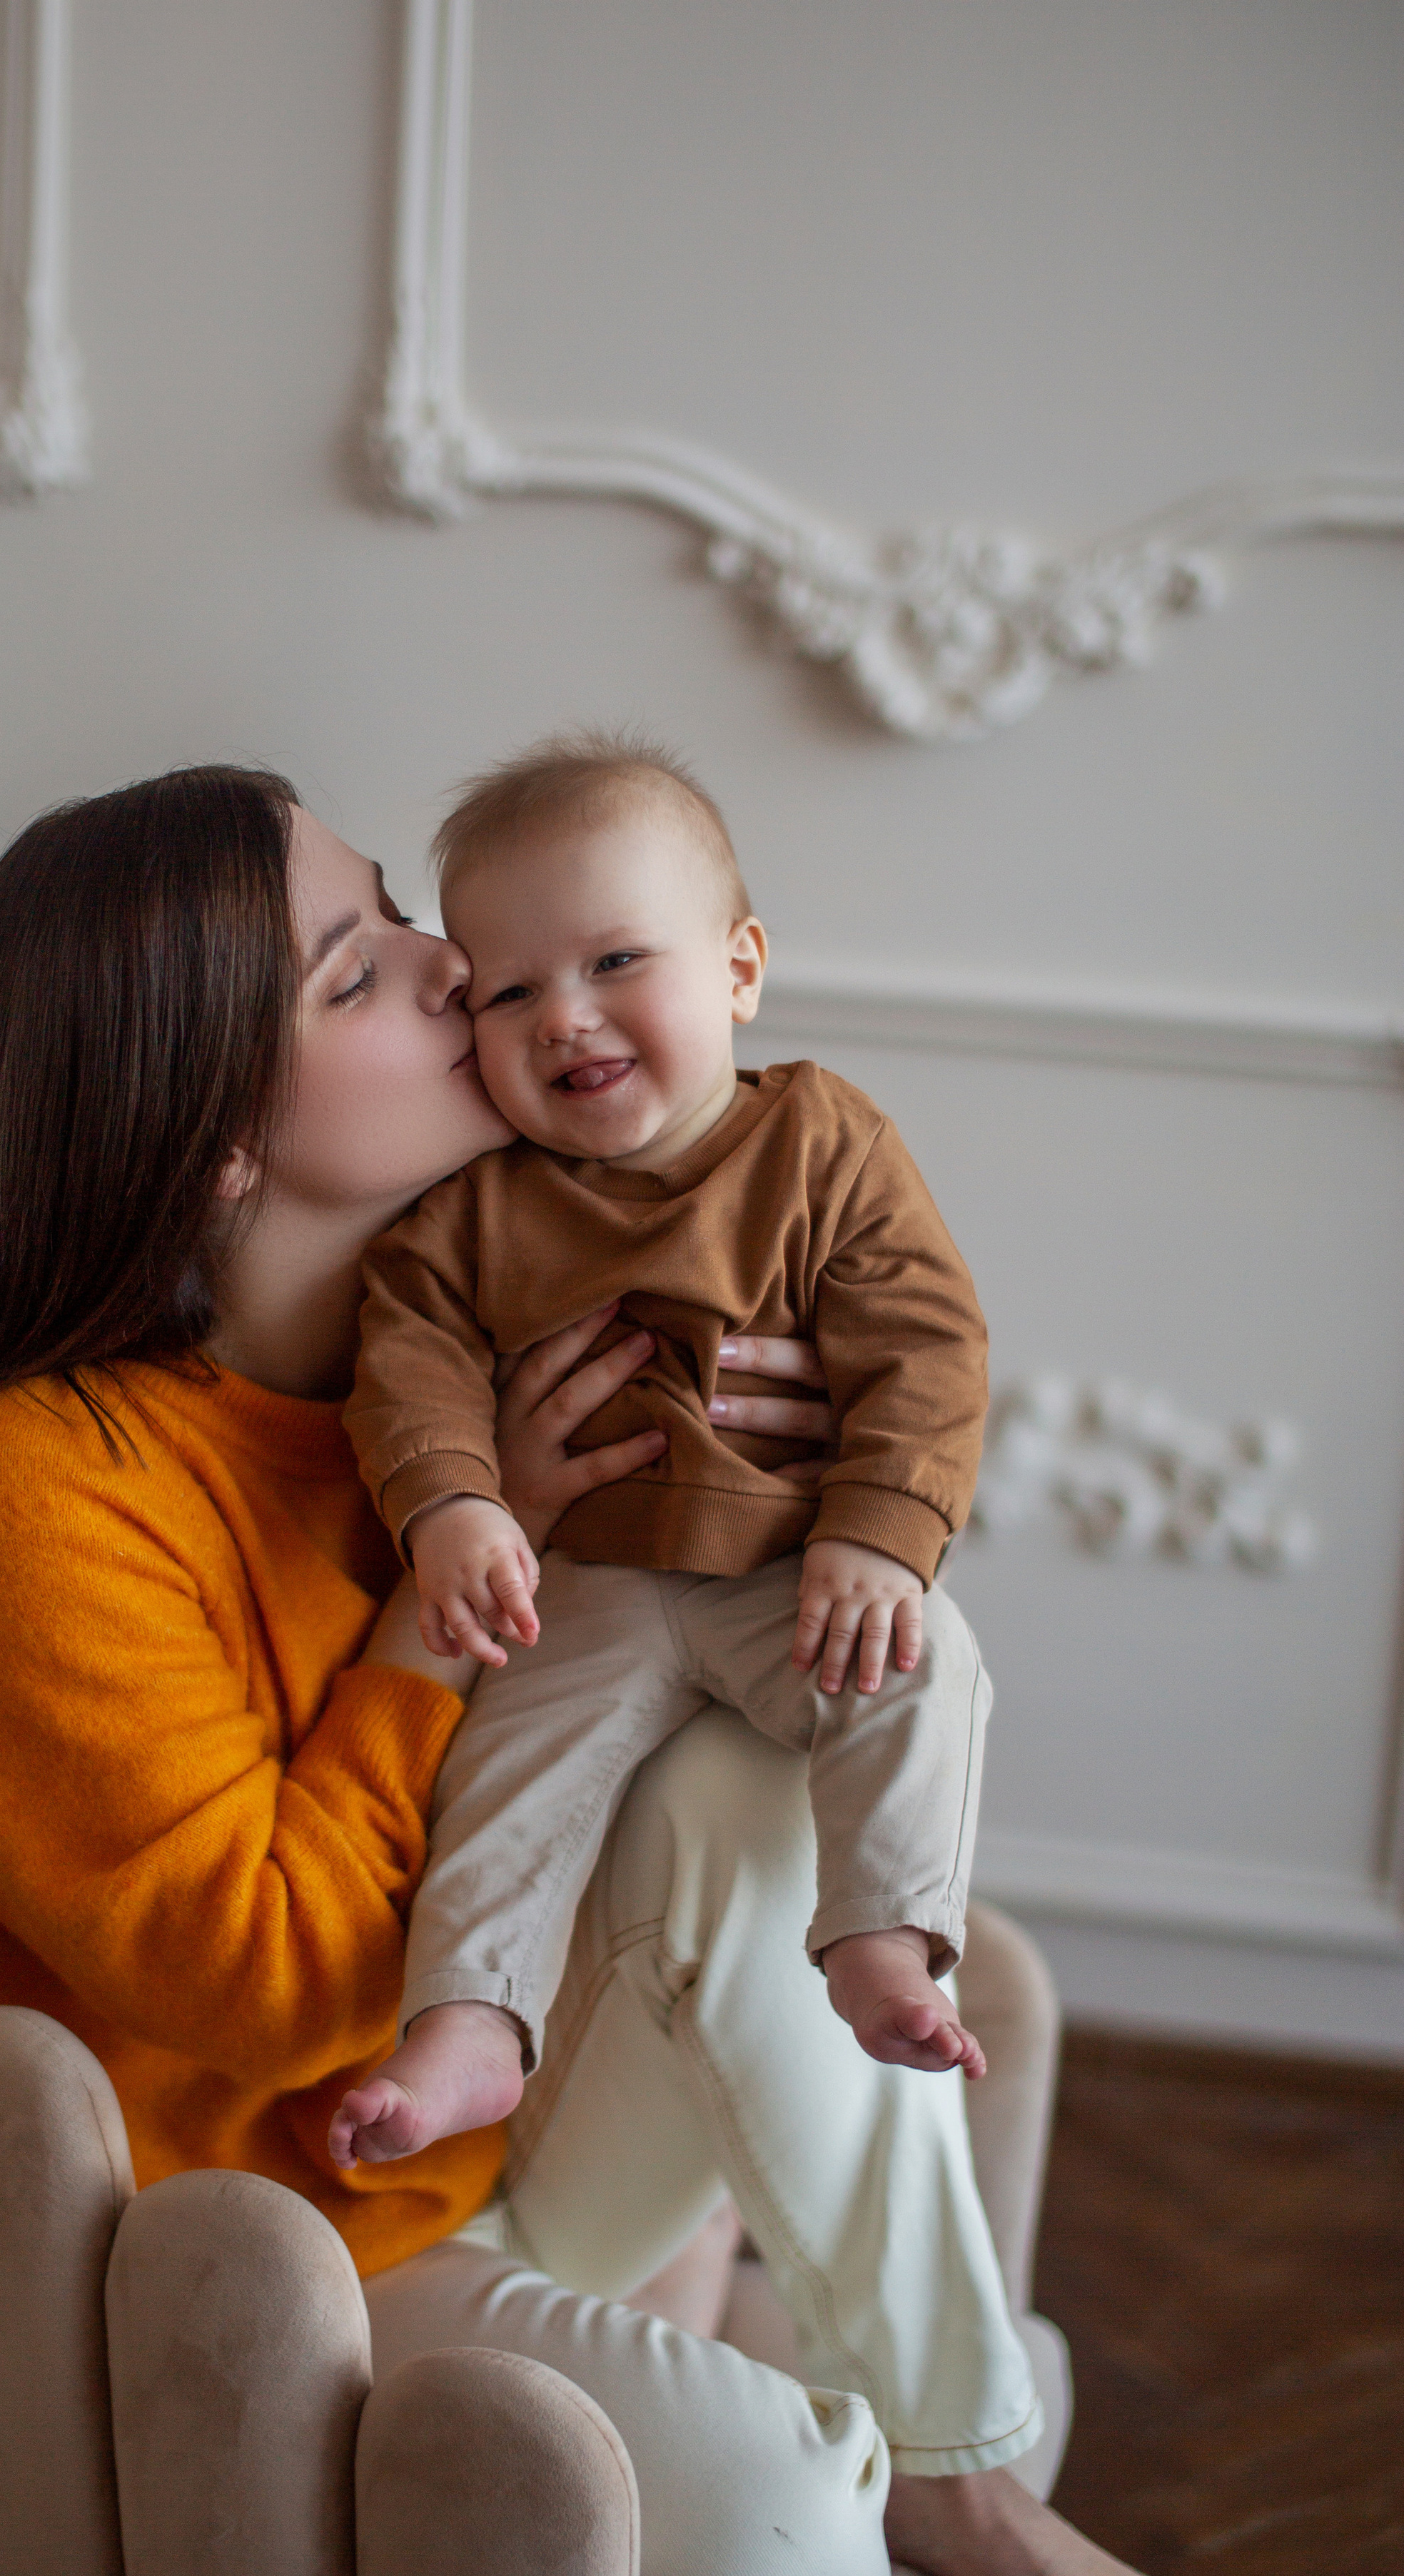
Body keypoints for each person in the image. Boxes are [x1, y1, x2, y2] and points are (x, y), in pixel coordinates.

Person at [0, 764, 1226, 2576]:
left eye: (401, 910)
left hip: (526, 2121)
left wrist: (818, 1500)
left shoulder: (467, 1339)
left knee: (750, 1780)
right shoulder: (27, 1508)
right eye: (368, 967)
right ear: (213, 1144)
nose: (465, 970)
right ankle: (806, 2392)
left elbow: (809, 1480)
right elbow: (279, 1985)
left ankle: (948, 2461)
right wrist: (457, 1590)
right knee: (795, 2574)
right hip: (301, 2246)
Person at [335, 729, 992, 2174]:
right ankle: (469, 2030)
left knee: (923, 1655)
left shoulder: (819, 1141)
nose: (564, 1017)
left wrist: (873, 1532)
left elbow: (923, 1347)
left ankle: (881, 1936)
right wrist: (450, 1503)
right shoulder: (477, 1206)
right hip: (586, 1582)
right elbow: (412, 1361)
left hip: (782, 1570)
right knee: (503, 1781)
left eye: (616, 963)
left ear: (739, 968)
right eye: (510, 991)